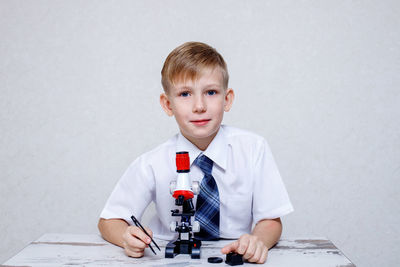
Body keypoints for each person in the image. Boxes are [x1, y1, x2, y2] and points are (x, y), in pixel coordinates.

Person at [98, 41, 293, 264]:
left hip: (231, 254)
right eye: (184, 94)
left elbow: (271, 220)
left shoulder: (253, 149)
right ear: (167, 104)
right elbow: (109, 220)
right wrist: (125, 236)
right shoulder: (152, 163)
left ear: (227, 99)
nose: (199, 106)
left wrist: (258, 240)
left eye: (211, 92)